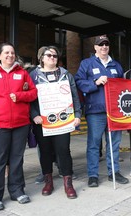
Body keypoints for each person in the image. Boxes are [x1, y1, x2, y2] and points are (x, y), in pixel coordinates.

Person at [0, 42, 37, 211]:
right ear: (0, 56)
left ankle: (17, 191)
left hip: (21, 124)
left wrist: (19, 96)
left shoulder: (23, 73)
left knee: (17, 159)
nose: (10, 55)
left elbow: (33, 93)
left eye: (12, 52)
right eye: (6, 53)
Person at [74, 35, 129, 187]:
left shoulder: (116, 65)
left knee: (114, 143)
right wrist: (95, 82)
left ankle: (114, 172)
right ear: (95, 47)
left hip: (114, 112)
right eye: (101, 44)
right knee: (93, 144)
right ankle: (93, 175)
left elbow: (123, 88)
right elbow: (78, 82)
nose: (104, 47)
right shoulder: (87, 64)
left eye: (106, 44)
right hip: (95, 111)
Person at [30, 45, 81, 199]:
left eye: (54, 55)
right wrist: (34, 115)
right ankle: (48, 181)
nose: (52, 58)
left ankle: (68, 182)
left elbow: (74, 96)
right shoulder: (33, 75)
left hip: (63, 121)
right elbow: (29, 99)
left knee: (63, 150)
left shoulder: (66, 74)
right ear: (41, 58)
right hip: (42, 122)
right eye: (48, 55)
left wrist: (77, 114)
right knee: (45, 151)